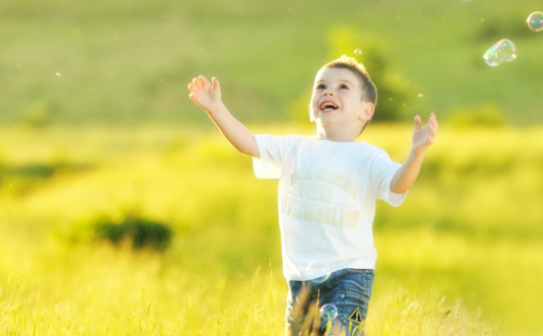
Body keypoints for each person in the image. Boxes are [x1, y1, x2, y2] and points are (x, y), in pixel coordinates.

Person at [187, 55, 438, 336]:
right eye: (321, 87)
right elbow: (247, 143)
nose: (329, 92)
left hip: (349, 273)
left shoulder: (367, 157)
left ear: (365, 111)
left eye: (343, 87)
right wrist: (216, 109)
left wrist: (415, 155)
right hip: (300, 277)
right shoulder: (293, 148)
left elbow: (397, 184)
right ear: (310, 109)